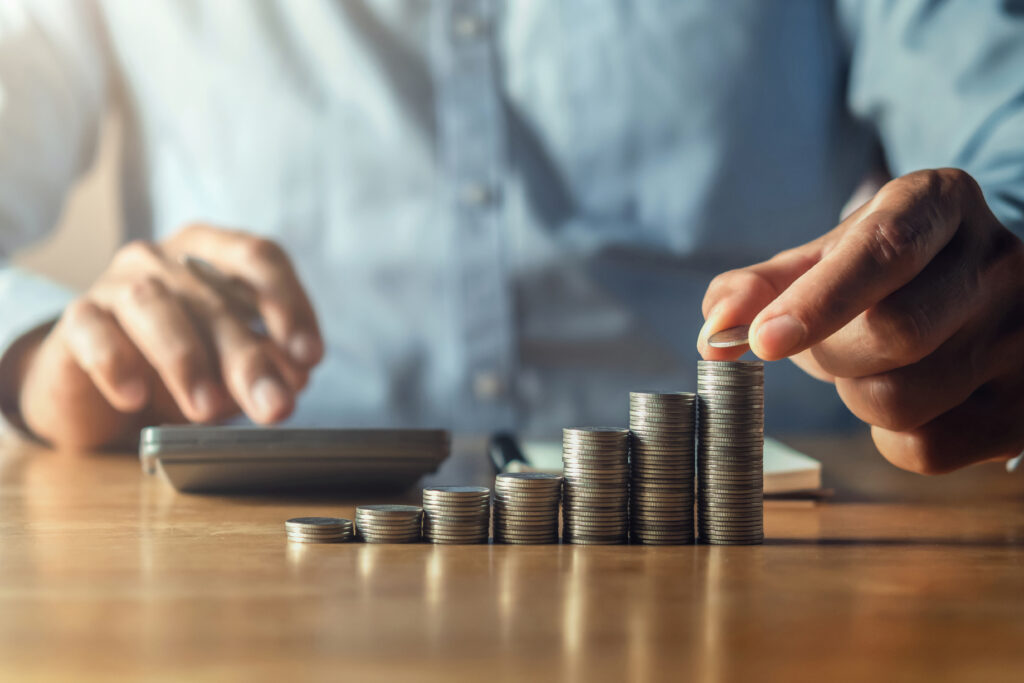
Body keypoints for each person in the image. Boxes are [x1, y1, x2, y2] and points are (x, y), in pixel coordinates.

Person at [0, 1, 1022, 474]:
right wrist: (42, 354)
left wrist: (987, 287)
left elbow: (1004, 136)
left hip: (782, 546)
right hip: (259, 573)